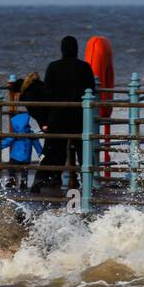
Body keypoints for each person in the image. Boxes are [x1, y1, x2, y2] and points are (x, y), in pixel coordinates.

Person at [33, 36, 97, 191]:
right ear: (76, 49)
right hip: (79, 116)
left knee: (50, 150)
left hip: (57, 115)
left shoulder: (53, 67)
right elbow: (91, 90)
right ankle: (88, 182)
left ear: (62, 49)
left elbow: (47, 92)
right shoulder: (85, 67)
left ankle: (41, 180)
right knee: (83, 151)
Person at [1, 111, 43, 190]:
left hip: (15, 156)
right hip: (26, 157)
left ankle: (12, 180)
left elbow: (7, 142)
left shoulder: (15, 134)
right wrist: (41, 155)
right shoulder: (31, 134)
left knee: (11, 168)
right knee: (24, 170)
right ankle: (24, 183)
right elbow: (38, 146)